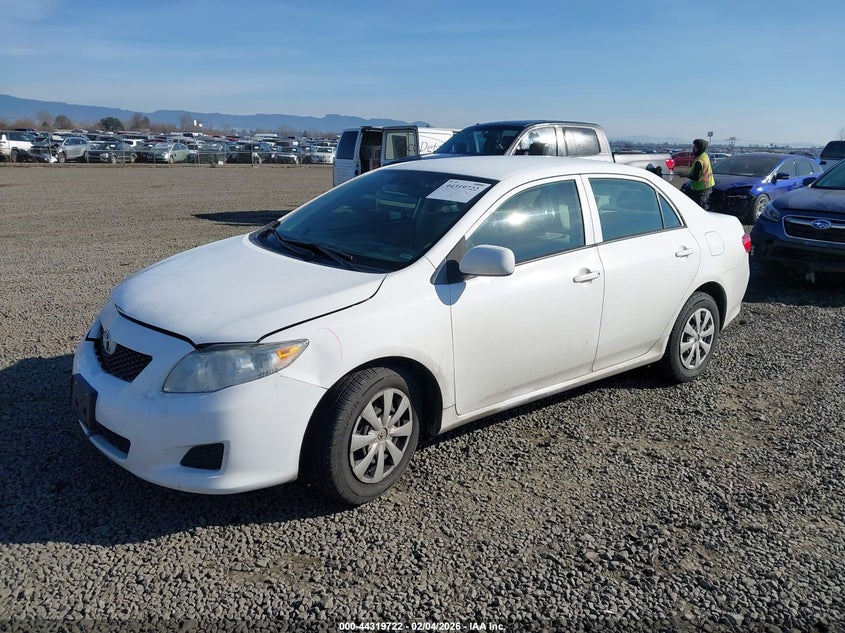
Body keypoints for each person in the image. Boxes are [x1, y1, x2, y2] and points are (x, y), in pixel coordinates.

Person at [686, 138, 715, 210]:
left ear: (699, 148)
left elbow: (696, 177)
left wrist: (684, 175)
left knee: (701, 209)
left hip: (701, 188)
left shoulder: (699, 161)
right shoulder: (704, 155)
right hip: (707, 185)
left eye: (695, 147)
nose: (693, 149)